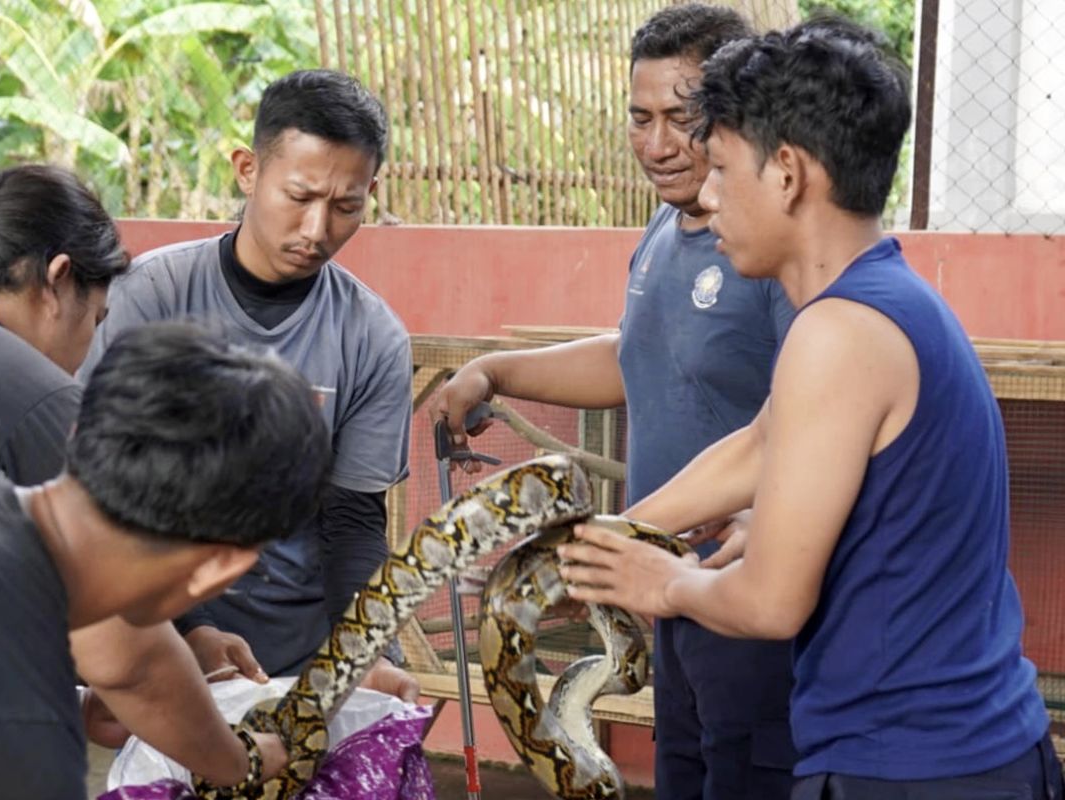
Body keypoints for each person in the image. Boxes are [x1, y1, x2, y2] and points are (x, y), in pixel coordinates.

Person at [558, 18, 1065, 800]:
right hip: (966, 749)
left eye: (722, 168)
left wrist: (662, 582)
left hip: (915, 767)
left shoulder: (838, 333)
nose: (709, 195)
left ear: (788, 174)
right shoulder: (883, 300)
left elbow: (769, 601)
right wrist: (604, 544)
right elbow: (757, 448)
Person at [433, 6, 796, 798]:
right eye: (640, 117)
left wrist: (772, 516)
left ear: (734, 114)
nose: (657, 144)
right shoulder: (665, 229)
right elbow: (640, 354)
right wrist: (496, 370)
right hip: (662, 587)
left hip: (751, 590)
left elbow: (816, 416)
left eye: (680, 118)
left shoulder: (773, 248)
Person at [0, 158, 274, 779]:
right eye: (96, 319)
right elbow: (128, 654)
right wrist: (239, 762)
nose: (85, 355)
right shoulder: (32, 390)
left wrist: (79, 699)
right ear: (57, 281)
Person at [0, 322, 331, 799]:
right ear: (220, 568)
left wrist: (237, 761)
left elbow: (136, 665)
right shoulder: (19, 751)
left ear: (76, 434)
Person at [79, 69, 416, 697]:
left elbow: (352, 521)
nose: (317, 230)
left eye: (346, 207)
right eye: (299, 196)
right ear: (247, 170)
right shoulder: (151, 296)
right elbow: (104, 490)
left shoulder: (373, 337)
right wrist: (189, 628)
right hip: (153, 634)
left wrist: (364, 651)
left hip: (304, 656)